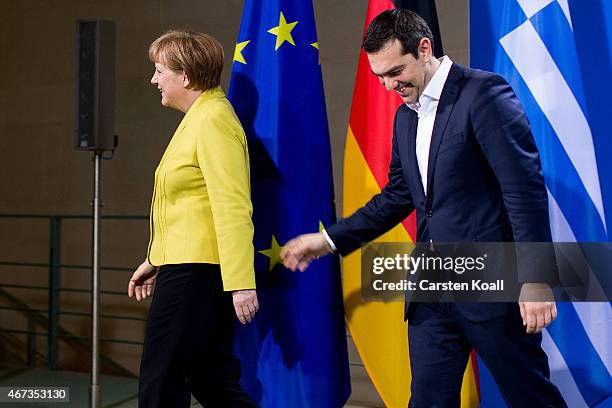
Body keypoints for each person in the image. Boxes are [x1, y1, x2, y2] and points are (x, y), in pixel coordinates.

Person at [281, 9, 567, 408]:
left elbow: (524, 189)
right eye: (379, 76)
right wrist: (329, 239)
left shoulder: (483, 94)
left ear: (424, 49)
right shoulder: (404, 117)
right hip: (431, 289)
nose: (387, 86)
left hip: (489, 284)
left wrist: (534, 278)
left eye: (395, 71)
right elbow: (399, 195)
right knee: (429, 401)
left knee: (531, 397)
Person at [127, 30, 258, 408]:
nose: (154, 80)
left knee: (160, 384)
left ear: (185, 76)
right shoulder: (200, 117)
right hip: (188, 267)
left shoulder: (213, 119)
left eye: (159, 70)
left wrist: (241, 283)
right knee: (210, 379)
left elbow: (232, 206)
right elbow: (188, 208)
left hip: (195, 274)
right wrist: (156, 259)